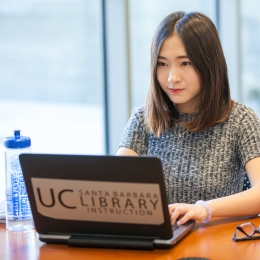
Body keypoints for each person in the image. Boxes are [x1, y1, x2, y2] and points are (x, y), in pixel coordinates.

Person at [116, 11, 260, 225]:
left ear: (209, 65)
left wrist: (205, 209)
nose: (172, 77)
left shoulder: (240, 120)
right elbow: (113, 185)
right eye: (162, 64)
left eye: (185, 63)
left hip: (214, 247)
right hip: (157, 246)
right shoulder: (143, 119)